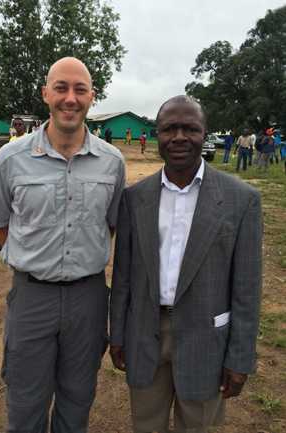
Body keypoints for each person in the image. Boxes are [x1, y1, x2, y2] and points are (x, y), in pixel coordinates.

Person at [0, 57, 125, 433]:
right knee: (25, 405)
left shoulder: (112, 163)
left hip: (89, 299)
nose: (70, 98)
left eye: (80, 89)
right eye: (61, 87)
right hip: (31, 298)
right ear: (46, 93)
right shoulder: (10, 159)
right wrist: (36, 258)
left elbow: (108, 225)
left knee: (77, 403)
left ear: (91, 97)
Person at [110, 95, 262, 433]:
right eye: (169, 129)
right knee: (145, 424)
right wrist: (117, 334)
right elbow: (123, 276)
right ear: (156, 136)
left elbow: (247, 289)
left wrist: (240, 358)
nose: (179, 137)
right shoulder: (135, 198)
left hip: (207, 338)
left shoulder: (242, 200)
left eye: (190, 128)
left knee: (197, 425)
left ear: (204, 134)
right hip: (145, 334)